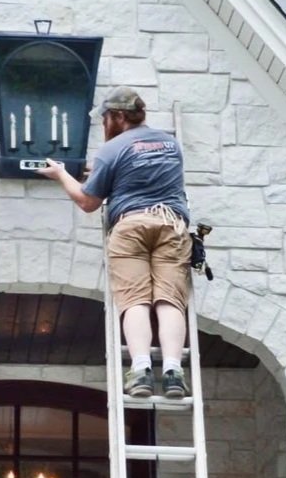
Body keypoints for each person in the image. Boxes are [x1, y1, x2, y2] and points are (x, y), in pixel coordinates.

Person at [35, 88, 192, 400]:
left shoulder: (111, 150)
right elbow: (144, 172)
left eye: (106, 118)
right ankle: (173, 372)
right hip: (171, 225)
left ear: (119, 117)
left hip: (131, 226)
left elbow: (88, 201)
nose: (104, 124)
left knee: (135, 300)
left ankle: (142, 370)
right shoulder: (170, 143)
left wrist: (62, 174)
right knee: (169, 300)